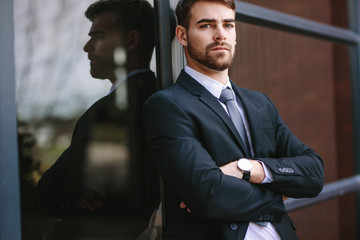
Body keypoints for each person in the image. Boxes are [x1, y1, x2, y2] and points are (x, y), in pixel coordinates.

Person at [143, 0, 324, 239]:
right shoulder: (167, 105)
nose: (220, 35)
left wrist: (250, 169)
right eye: (207, 25)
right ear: (182, 35)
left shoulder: (261, 103)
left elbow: (314, 173)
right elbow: (208, 194)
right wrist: (278, 192)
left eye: (228, 25)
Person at [37, 0, 158, 238]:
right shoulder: (161, 98)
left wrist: (76, 192)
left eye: (98, 36)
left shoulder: (109, 111)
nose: (86, 46)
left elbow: (47, 194)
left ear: (131, 41)